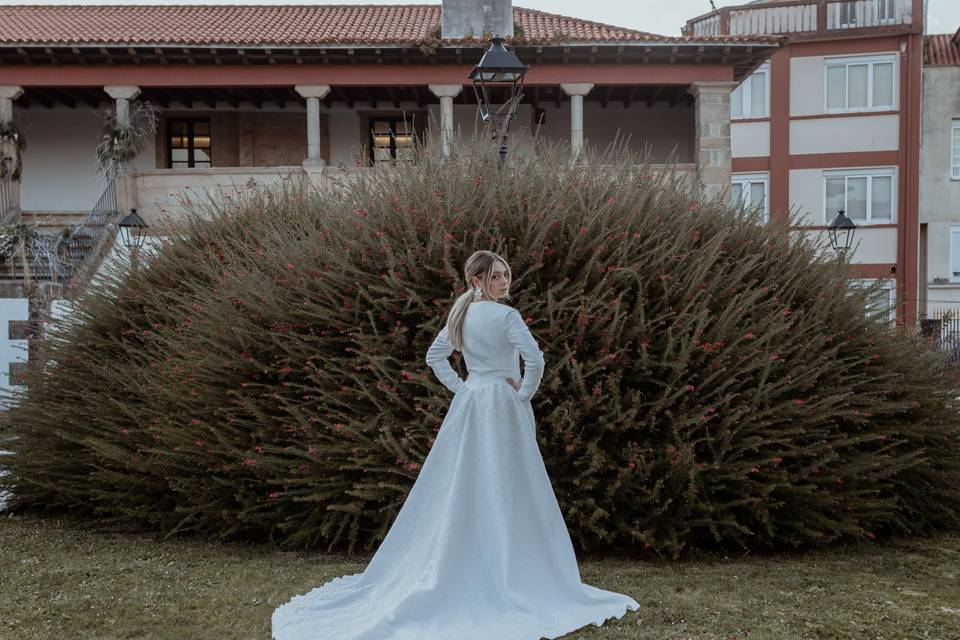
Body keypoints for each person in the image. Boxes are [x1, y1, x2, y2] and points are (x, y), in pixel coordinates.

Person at [272, 250, 639, 639]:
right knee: (506, 481)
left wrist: (464, 389)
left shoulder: (461, 314)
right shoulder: (505, 317)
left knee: (469, 480)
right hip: (500, 403)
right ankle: (503, 562)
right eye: (496, 276)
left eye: (506, 275)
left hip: (472, 403)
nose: (505, 282)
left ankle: (479, 555)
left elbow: (436, 357)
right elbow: (535, 360)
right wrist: (521, 394)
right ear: (477, 280)